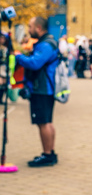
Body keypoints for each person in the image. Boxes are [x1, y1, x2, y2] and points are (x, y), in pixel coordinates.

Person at [15, 16, 59, 167]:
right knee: (47, 122)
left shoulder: (46, 45)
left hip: (42, 88)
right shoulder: (48, 42)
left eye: (30, 26)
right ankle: (50, 153)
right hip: (46, 88)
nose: (28, 30)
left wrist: (18, 56)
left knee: (43, 123)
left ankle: (47, 155)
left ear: (38, 28)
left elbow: (35, 63)